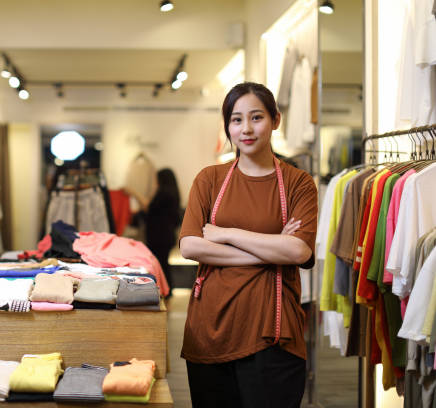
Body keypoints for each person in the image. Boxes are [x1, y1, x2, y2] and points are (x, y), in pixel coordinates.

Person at [178, 82, 318, 407]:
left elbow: (298, 251)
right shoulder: (209, 179)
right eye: (236, 120)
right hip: (210, 328)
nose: (246, 129)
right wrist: (272, 249)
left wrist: (224, 233)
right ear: (228, 126)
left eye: (256, 117)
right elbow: (190, 246)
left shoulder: (299, 183)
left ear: (275, 120)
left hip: (273, 332)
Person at [125, 168, 181, 293]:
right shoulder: (173, 194)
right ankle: (167, 290)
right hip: (166, 236)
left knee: (159, 265)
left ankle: (164, 290)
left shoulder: (164, 193)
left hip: (159, 237)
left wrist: (133, 193)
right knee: (163, 264)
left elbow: (148, 207)